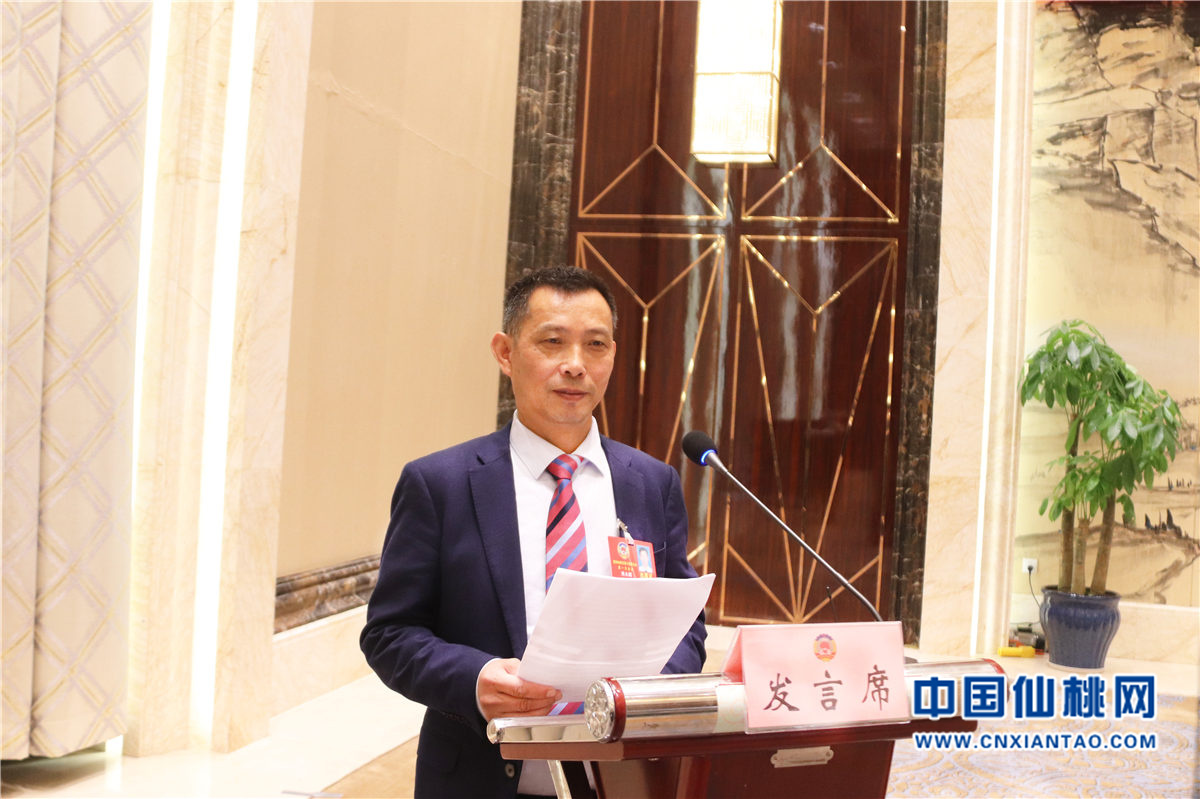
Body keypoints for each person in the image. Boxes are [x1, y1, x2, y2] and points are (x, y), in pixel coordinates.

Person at [360, 266, 706, 798]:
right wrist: (475, 679)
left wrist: (648, 691)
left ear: (613, 356)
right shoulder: (440, 484)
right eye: (552, 342)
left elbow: (685, 625)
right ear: (505, 353)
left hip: (621, 777)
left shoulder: (651, 483)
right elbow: (390, 633)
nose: (575, 365)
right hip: (481, 778)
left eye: (595, 345)